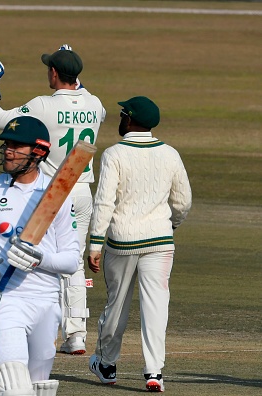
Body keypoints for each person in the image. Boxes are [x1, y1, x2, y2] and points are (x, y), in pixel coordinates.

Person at [0, 44, 106, 355]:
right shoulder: (96, 105)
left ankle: (37, 328)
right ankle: (77, 335)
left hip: (53, 195)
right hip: (83, 191)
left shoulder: (43, 105)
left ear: (54, 73)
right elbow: (81, 91)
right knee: (72, 262)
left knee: (36, 258)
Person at [0, 116, 80, 396]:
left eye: (16, 146)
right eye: (7, 144)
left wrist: (39, 258)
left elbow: (71, 261)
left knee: (39, 388)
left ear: (38, 152)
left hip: (47, 302)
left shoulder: (56, 195)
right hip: (5, 299)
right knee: (12, 386)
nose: (8, 151)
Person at [87, 96, 192, 392]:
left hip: (122, 241)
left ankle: (106, 364)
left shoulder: (115, 154)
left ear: (131, 120)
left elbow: (104, 201)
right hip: (160, 241)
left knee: (117, 304)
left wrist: (95, 244)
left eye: (122, 115)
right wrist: (171, 224)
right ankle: (154, 372)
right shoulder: (170, 153)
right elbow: (183, 202)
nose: (119, 119)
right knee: (156, 306)